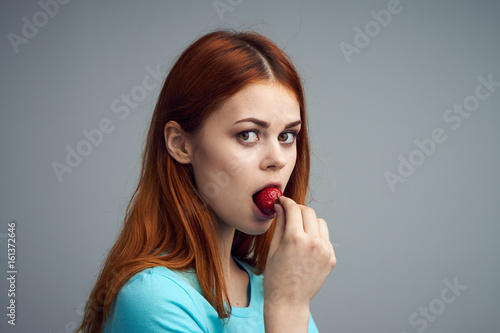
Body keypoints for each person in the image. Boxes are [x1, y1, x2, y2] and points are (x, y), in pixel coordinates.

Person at [77, 29, 336, 333]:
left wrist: (286, 301)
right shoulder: (153, 299)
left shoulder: (273, 287)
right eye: (248, 134)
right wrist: (287, 308)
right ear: (180, 144)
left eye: (286, 136)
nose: (277, 159)